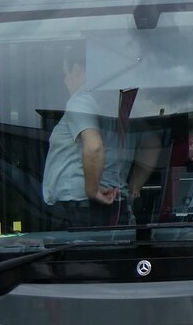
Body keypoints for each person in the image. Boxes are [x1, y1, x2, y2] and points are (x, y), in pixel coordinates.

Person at [42, 46, 139, 228]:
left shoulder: (81, 100)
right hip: (107, 202)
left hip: (77, 207)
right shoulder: (115, 104)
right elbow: (153, 143)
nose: (65, 81)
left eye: (66, 73)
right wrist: (135, 185)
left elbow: (94, 146)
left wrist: (92, 190)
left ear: (78, 69)